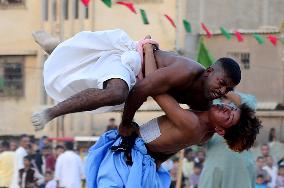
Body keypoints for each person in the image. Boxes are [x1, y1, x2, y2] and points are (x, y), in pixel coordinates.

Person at [85, 43, 261, 188]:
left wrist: (148, 50)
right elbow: (172, 147)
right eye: (232, 108)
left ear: (221, 131)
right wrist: (156, 163)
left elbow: (154, 86)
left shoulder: (192, 124)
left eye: (229, 116)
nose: (226, 109)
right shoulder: (204, 136)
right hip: (137, 158)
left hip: (130, 159)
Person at [31, 29, 241, 134]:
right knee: (116, 92)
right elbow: (143, 88)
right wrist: (125, 123)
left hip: (137, 81)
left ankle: (58, 49)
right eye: (221, 82)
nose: (221, 90)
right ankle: (51, 112)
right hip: (131, 60)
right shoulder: (186, 71)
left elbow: (190, 127)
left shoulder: (205, 104)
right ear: (209, 71)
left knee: (96, 85)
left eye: (227, 89)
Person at [198, 91, 258, 188]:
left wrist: (222, 89)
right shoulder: (207, 102)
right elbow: (198, 140)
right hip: (215, 163)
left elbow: (249, 109)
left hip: (241, 165)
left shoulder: (247, 99)